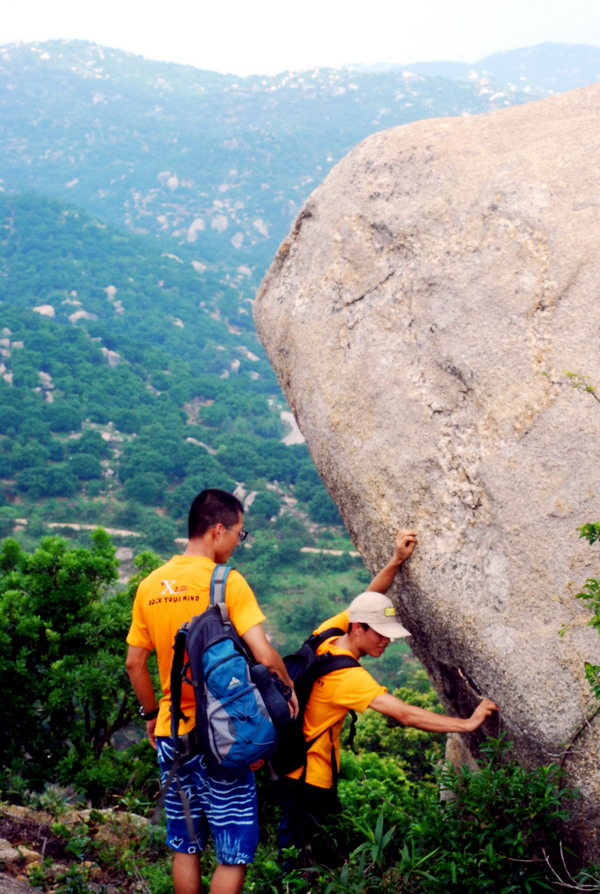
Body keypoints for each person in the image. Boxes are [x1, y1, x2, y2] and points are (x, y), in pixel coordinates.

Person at [276, 529, 499, 868]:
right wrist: (467, 723)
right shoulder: (347, 677)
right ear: (359, 629)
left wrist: (396, 561)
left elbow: (370, 596)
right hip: (310, 779)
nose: (386, 641)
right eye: (381, 634)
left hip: (292, 768)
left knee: (303, 852)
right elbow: (405, 715)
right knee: (307, 863)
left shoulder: (327, 633)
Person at [125, 488, 297, 894]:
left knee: (186, 844)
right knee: (232, 851)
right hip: (224, 736)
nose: (239, 542)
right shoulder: (226, 582)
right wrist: (288, 689)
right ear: (218, 529)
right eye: (240, 533)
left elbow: (134, 663)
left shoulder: (149, 585)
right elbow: (264, 655)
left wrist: (152, 716)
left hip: (172, 733)